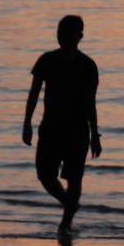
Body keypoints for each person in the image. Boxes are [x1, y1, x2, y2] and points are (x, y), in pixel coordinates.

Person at [22, 14, 101, 230]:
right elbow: (34, 93)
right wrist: (26, 123)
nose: (63, 37)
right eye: (59, 33)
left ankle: (65, 224)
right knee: (45, 176)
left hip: (77, 130)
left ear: (79, 36)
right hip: (50, 128)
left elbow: (90, 102)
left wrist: (95, 134)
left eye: (68, 33)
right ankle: (69, 205)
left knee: (74, 178)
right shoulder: (47, 60)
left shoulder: (87, 65)